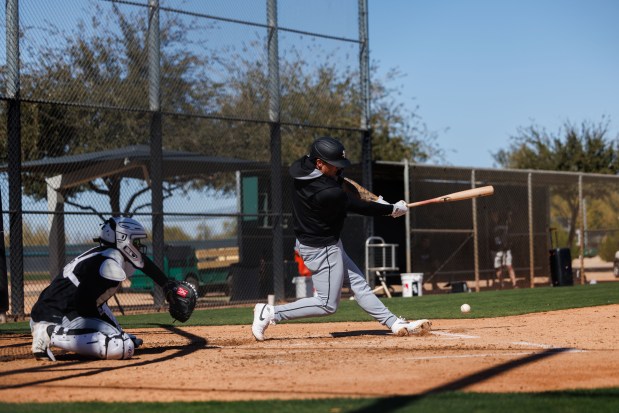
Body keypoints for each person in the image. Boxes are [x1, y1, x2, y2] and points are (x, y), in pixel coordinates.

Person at [251, 136, 431, 341]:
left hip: (321, 243)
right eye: (334, 165)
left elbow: (345, 181)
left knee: (359, 285)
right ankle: (271, 313)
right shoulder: (325, 193)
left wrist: (379, 200)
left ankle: (393, 322)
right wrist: (391, 209)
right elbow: (358, 205)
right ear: (320, 163)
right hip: (322, 249)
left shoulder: (304, 166)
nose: (339, 168)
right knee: (327, 304)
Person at [30, 217, 170, 360]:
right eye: (136, 242)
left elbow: (94, 303)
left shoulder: (105, 254)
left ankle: (52, 331)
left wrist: (167, 284)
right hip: (55, 316)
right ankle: (48, 333)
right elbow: (83, 302)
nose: (139, 247)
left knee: (119, 337)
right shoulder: (111, 264)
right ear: (123, 240)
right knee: (121, 347)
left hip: (58, 310)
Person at [489, 209, 517, 288]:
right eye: (493, 215)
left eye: (496, 214)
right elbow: (494, 237)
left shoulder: (505, 222)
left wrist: (505, 244)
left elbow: (510, 229)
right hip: (496, 250)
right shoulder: (490, 225)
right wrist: (500, 244)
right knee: (498, 267)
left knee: (509, 265)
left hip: (506, 248)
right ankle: (502, 284)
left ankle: (514, 284)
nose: (495, 216)